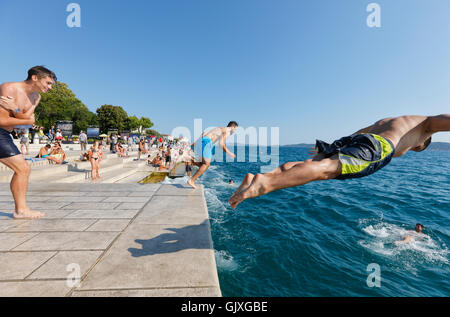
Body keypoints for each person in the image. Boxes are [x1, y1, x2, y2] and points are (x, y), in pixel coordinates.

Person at [229, 114, 450, 209]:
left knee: (313, 163)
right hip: (379, 145)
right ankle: (264, 185)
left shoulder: (392, 120)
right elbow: (439, 120)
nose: (413, 149)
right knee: (328, 170)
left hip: (359, 138)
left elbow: (359, 133)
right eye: (416, 149)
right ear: (424, 142)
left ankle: (262, 177)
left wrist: (335, 146)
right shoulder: (425, 128)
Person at [0, 65, 56, 219]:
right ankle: (21, 210)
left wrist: (16, 109)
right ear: (35, 78)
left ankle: (21, 210)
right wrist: (21, 117)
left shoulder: (36, 97)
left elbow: (30, 121)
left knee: (23, 169)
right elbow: (2, 120)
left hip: (5, 133)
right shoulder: (9, 88)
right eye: (48, 83)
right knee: (23, 169)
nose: (50, 88)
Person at [187, 121, 238, 189]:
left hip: (201, 141)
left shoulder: (218, 128)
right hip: (207, 142)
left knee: (203, 164)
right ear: (233, 127)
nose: (235, 131)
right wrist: (229, 153)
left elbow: (204, 133)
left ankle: (191, 160)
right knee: (206, 164)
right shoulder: (227, 130)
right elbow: (221, 144)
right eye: (236, 129)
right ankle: (191, 180)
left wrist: (195, 142)